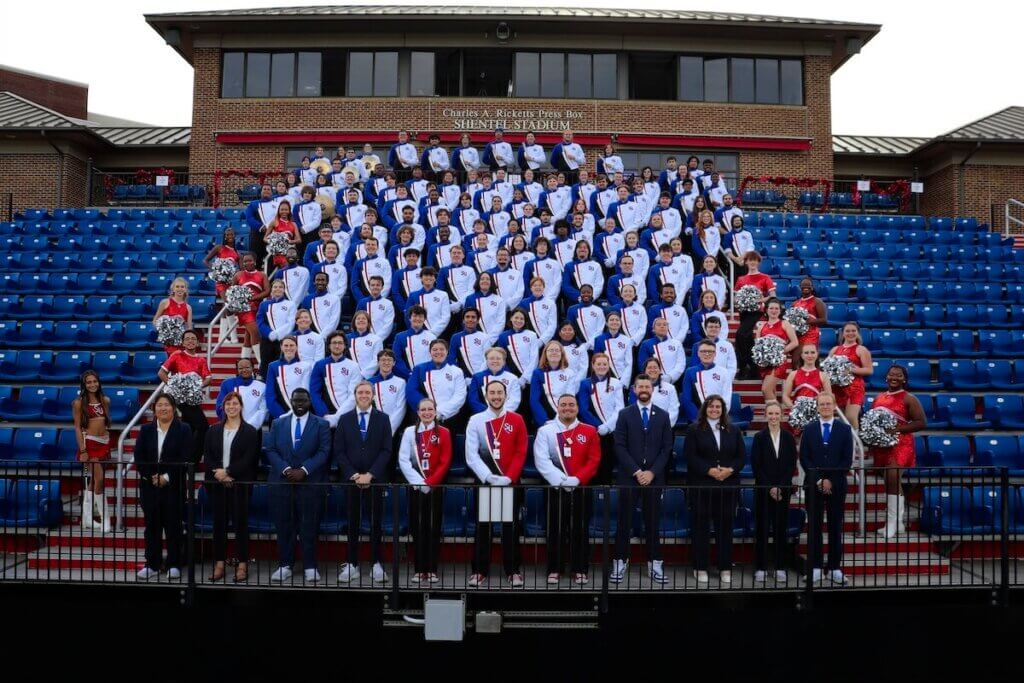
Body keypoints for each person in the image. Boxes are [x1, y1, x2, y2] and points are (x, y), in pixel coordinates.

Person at [464, 380, 529, 587]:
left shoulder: (517, 419)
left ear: (506, 395)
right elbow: (471, 455)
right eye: (492, 393)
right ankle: (480, 571)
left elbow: (521, 451)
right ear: (486, 395)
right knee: (484, 527)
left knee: (511, 527)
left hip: (511, 482)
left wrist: (509, 477)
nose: (496, 396)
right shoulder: (475, 420)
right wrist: (489, 477)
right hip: (485, 482)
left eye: (499, 392)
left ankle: (513, 571)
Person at [611, 374, 674, 585]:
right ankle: (620, 561)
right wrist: (637, 471)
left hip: (654, 478)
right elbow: (619, 446)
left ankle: (655, 562)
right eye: (640, 386)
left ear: (652, 389)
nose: (644, 389)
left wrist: (652, 472)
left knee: (653, 522)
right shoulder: (624, 414)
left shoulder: (663, 415)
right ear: (635, 390)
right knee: (624, 522)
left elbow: (667, 449)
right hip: (629, 477)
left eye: (647, 385)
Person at [265, 388, 331, 583]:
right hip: (282, 483)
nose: (299, 403)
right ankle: (285, 565)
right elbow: (270, 449)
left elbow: (324, 450)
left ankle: (310, 566)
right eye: (296, 400)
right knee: (284, 526)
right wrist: (286, 469)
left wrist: (304, 470)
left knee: (309, 526)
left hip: (310, 483)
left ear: (310, 401)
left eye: (303, 400)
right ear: (290, 402)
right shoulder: (278, 423)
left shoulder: (322, 424)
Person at [534, 394, 602, 585]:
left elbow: (593, 460)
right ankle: (554, 569)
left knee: (580, 530)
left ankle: (580, 569)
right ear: (557, 407)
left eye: (571, 405)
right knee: (555, 528)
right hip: (555, 488)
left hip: (581, 488)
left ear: (578, 408)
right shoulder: (546, 431)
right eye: (563, 405)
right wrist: (562, 481)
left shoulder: (589, 431)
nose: (567, 408)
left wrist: (577, 479)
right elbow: (541, 459)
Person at [334, 381, 395, 584]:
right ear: (355, 395)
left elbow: (387, 450)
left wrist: (370, 474)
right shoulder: (344, 419)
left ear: (373, 395)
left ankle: (376, 563)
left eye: (367, 392)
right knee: (352, 523)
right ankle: (351, 564)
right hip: (351, 481)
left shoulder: (383, 419)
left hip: (375, 481)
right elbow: (339, 451)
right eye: (360, 392)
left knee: (375, 523)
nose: (364, 395)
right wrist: (353, 474)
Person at [684, 395, 746, 585]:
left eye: (718, 407)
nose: (714, 410)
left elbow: (741, 457)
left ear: (723, 409)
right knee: (701, 527)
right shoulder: (694, 429)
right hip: (702, 485)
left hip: (727, 486)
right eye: (711, 407)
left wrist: (730, 470)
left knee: (725, 528)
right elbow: (690, 456)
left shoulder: (733, 430)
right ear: (705, 409)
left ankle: (724, 567)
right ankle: (700, 567)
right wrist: (709, 470)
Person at [203, 391, 260, 583]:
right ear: (223, 408)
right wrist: (218, 474)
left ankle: (242, 564)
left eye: (235, 404)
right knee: (218, 525)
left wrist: (228, 472)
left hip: (239, 485)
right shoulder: (213, 430)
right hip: (217, 485)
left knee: (240, 525)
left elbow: (249, 459)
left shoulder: (250, 431)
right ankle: (219, 564)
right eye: (228, 404)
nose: (231, 407)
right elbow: (208, 456)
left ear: (241, 406)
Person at [134, 394, 191, 580]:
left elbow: (186, 457)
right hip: (150, 487)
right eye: (159, 405)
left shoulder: (184, 429)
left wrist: (166, 477)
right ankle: (152, 564)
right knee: (152, 527)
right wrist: (152, 477)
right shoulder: (145, 430)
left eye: (166, 405)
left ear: (173, 408)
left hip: (173, 487)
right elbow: (139, 458)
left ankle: (174, 563)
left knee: (173, 526)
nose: (163, 408)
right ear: (154, 409)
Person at [800, 393, 854, 584]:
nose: (825, 407)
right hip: (813, 485)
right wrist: (819, 480)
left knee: (834, 526)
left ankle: (834, 568)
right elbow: (804, 458)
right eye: (821, 404)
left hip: (837, 485)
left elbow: (846, 460)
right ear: (817, 407)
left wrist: (830, 479)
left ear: (834, 406)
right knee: (814, 526)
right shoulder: (809, 429)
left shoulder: (845, 429)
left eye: (828, 404)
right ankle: (815, 567)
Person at [398, 398, 452, 584]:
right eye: (423, 409)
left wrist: (430, 483)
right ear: (418, 412)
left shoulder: (443, 432)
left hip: (435, 487)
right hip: (416, 487)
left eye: (430, 409)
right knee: (417, 527)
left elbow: (445, 461)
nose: (427, 412)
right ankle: (419, 570)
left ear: (435, 411)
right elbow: (403, 460)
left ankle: (432, 570)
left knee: (433, 528)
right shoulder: (409, 432)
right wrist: (419, 482)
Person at [870, 365, 927, 539]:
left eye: (899, 375)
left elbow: (920, 423)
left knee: (893, 477)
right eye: (891, 374)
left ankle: (891, 523)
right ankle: (899, 522)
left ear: (904, 379)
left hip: (901, 443)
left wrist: (897, 429)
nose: (894, 377)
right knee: (891, 482)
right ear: (886, 377)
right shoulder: (879, 397)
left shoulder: (909, 398)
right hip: (883, 445)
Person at [751, 401, 798, 584]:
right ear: (765, 415)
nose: (773, 417)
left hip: (782, 490)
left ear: (782, 415)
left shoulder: (788, 437)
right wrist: (770, 487)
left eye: (776, 414)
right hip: (764, 490)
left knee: (780, 530)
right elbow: (756, 465)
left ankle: (780, 567)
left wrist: (780, 486)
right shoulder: (759, 437)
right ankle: (761, 568)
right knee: (762, 530)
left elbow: (790, 465)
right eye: (770, 414)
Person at [158, 330, 212, 463]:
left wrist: (197, 387)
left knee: (189, 428)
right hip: (181, 399)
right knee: (203, 426)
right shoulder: (177, 355)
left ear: (198, 342)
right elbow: (161, 373)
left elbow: (208, 378)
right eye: (187, 339)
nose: (190, 341)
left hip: (192, 399)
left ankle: (185, 459)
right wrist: (174, 387)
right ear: (182, 342)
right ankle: (194, 460)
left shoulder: (201, 359)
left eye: (193, 338)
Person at [577, 353, 626, 484]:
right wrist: (598, 427)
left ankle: (605, 492)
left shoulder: (616, 383)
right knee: (592, 463)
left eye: (604, 364)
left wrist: (608, 426)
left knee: (607, 463)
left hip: (612, 431)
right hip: (593, 431)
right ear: (593, 366)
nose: (602, 366)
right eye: (598, 364)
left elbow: (619, 408)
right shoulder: (585, 384)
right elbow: (583, 409)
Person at [73, 370, 112, 532]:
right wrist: (83, 449)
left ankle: (87, 518)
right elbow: (77, 427)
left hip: (104, 442)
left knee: (94, 481)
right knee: (100, 479)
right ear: (84, 384)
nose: (92, 385)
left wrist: (107, 438)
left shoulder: (105, 400)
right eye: (88, 382)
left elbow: (106, 422)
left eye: (94, 381)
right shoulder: (78, 403)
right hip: (90, 444)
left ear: (99, 382)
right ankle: (105, 519)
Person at [734, 251, 776, 379]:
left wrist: (758, 300)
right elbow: (736, 297)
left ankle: (745, 367)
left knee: (741, 335)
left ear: (758, 262)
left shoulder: (765, 277)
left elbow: (773, 297)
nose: (752, 262)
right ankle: (751, 368)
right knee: (745, 339)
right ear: (746, 262)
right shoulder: (741, 279)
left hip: (758, 313)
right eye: (749, 260)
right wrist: (742, 301)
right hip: (744, 313)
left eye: (755, 260)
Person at [406, 339, 468, 423]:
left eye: (442, 349)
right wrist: (427, 411)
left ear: (447, 352)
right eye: (434, 350)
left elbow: (460, 395)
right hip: (425, 418)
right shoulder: (420, 369)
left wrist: (440, 412)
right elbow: (411, 392)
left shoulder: (456, 371)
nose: (438, 352)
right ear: (430, 352)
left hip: (450, 417)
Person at [310, 331, 361, 428]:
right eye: (334, 343)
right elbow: (314, 392)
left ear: (345, 346)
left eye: (340, 343)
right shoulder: (320, 365)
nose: (337, 346)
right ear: (329, 346)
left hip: (347, 414)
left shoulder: (353, 366)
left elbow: (353, 394)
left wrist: (338, 416)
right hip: (326, 415)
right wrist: (324, 415)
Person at [827, 322, 873, 430]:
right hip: (837, 388)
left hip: (854, 388)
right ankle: (846, 443)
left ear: (858, 333)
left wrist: (850, 370)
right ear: (842, 333)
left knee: (851, 417)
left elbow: (869, 370)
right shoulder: (834, 350)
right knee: (843, 419)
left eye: (853, 331)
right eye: (847, 331)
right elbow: (827, 368)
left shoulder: (861, 349)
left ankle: (855, 443)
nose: (850, 333)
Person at [680, 339, 735, 424]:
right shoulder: (690, 372)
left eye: (710, 351)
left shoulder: (724, 372)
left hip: (719, 419)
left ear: (715, 354)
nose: (707, 354)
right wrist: (699, 419)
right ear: (698, 353)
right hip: (697, 421)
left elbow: (726, 398)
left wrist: (717, 417)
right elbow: (687, 400)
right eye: (703, 351)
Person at [756, 298, 799, 403]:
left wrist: (780, 352)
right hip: (765, 363)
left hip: (779, 362)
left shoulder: (785, 324)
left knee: (765, 389)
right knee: (771, 391)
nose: (774, 310)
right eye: (771, 308)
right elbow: (757, 346)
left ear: (780, 311)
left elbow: (795, 342)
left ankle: (774, 415)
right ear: (766, 310)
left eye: (776, 308)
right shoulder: (761, 327)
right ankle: (775, 417)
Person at [231, 253, 270, 370]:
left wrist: (253, 298)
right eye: (245, 261)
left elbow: (267, 291)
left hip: (257, 308)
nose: (247, 263)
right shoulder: (238, 275)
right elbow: (232, 292)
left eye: (250, 261)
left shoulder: (262, 275)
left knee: (248, 336)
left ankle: (243, 364)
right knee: (255, 333)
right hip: (244, 310)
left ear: (255, 261)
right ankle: (261, 363)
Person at [204, 227, 242, 343]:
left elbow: (240, 270)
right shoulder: (219, 248)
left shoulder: (237, 253)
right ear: (224, 236)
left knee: (227, 307)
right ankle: (233, 336)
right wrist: (216, 271)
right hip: (221, 282)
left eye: (231, 234)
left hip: (230, 283)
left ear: (234, 236)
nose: (229, 236)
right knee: (228, 305)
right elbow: (205, 261)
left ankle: (223, 336)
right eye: (227, 235)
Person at [530, 340, 581, 425]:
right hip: (545, 417)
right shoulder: (538, 373)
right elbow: (534, 400)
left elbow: (570, 397)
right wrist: (544, 421)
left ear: (562, 354)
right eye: (551, 350)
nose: (554, 353)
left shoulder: (569, 373)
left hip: (565, 417)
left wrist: (561, 419)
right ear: (545, 353)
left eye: (557, 350)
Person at [264, 336, 313, 421]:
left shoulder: (306, 366)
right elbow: (270, 395)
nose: (289, 348)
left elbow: (306, 390)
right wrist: (280, 415)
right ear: (281, 347)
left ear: (296, 347)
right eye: (286, 345)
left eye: (292, 345)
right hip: (279, 413)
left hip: (301, 411)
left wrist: (299, 411)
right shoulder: (273, 366)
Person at [215, 358, 268, 436]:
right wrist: (232, 424)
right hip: (232, 428)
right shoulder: (227, 384)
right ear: (237, 370)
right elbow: (220, 407)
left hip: (254, 429)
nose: (244, 370)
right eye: (240, 368)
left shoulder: (262, 386)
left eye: (247, 367)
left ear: (252, 368)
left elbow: (263, 409)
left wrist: (250, 427)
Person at [256, 279, 297, 373]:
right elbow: (260, 322)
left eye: (280, 287)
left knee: (282, 368)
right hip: (267, 340)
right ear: (271, 289)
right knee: (266, 367)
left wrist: (277, 334)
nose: (277, 289)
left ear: (284, 290)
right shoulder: (264, 304)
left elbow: (290, 323)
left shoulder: (290, 304)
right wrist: (269, 334)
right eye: (275, 287)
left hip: (283, 341)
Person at [467, 346, 522, 414]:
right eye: (491, 358)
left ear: (504, 362)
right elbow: (473, 400)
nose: (495, 361)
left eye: (498, 358)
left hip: (506, 417)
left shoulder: (513, 378)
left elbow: (514, 400)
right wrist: (489, 414)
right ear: (486, 361)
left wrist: (501, 414)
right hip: (483, 416)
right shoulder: (477, 377)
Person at [782, 344, 832, 415]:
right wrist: (794, 408)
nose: (809, 355)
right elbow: (785, 396)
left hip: (816, 414)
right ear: (802, 355)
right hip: (798, 413)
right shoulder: (793, 374)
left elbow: (829, 397)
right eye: (806, 353)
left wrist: (818, 409)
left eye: (812, 352)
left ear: (817, 354)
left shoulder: (823, 375)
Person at [369, 349, 408, 436]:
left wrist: (390, 428)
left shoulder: (401, 382)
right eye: (383, 360)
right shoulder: (369, 382)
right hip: (373, 427)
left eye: (389, 360)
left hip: (395, 428)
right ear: (378, 362)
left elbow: (401, 407)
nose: (386, 363)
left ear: (394, 363)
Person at [790, 278, 827, 366]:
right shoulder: (795, 303)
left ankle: (814, 377)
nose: (806, 287)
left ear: (812, 288)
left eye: (808, 286)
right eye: (803, 286)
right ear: (800, 287)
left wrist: (809, 322)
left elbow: (824, 320)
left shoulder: (817, 301)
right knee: (795, 360)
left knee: (809, 359)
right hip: (798, 334)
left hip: (811, 334)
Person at [152, 277, 193, 356]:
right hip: (167, 342)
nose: (180, 289)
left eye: (182, 287)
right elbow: (155, 321)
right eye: (177, 286)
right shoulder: (165, 302)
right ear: (173, 289)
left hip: (180, 342)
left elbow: (189, 328)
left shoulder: (188, 307)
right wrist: (164, 333)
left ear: (185, 289)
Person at [264, 200, 301, 269]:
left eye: (286, 209)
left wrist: (288, 241)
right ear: (278, 211)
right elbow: (265, 238)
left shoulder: (293, 224)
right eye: (282, 209)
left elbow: (299, 240)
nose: (284, 212)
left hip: (289, 252)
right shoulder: (274, 222)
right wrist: (274, 242)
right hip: (277, 252)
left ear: (289, 211)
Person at [347, 310, 384, 379]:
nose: (361, 320)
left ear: (368, 323)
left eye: (364, 318)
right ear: (354, 322)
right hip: (350, 377)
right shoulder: (346, 338)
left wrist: (363, 375)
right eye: (358, 318)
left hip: (369, 378)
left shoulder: (376, 339)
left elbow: (376, 360)